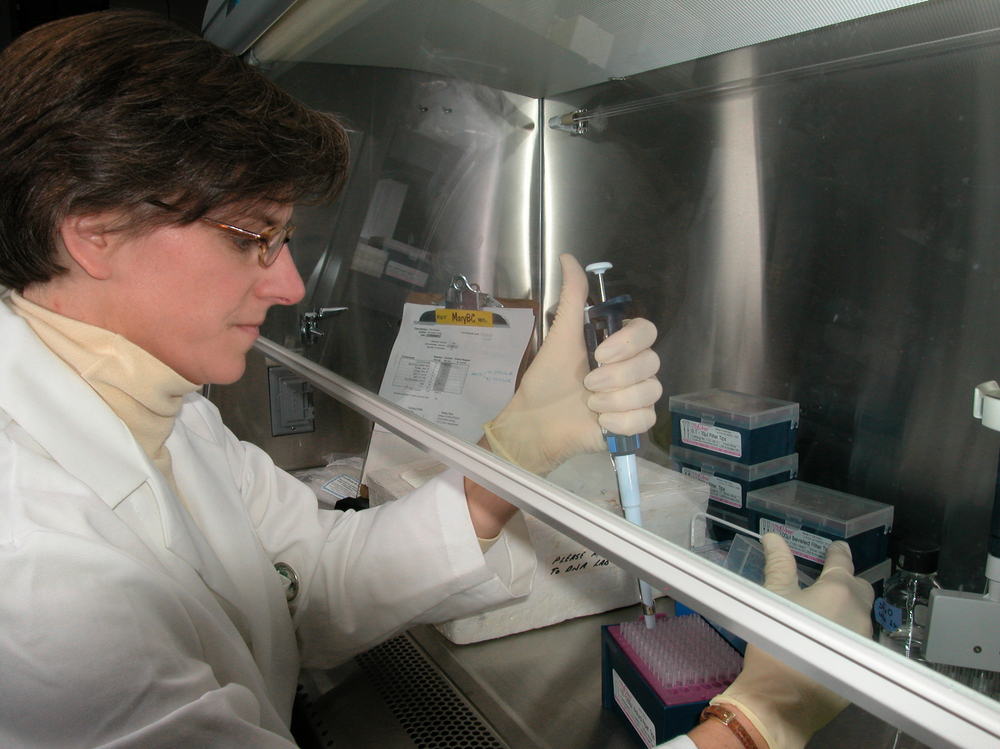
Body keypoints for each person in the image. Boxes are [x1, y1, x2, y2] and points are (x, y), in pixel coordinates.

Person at [0, 10, 872, 749]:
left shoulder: (157, 408)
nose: (292, 283)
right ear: (94, 228)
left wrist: (513, 455)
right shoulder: (35, 566)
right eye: (249, 236)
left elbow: (317, 573)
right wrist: (755, 722)